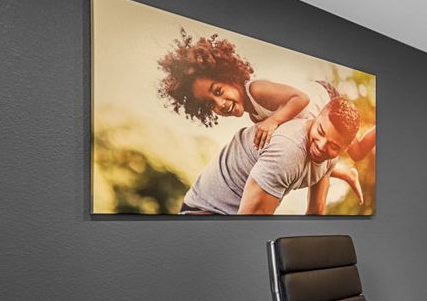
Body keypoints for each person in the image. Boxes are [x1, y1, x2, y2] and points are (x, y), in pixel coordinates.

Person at [157, 30, 372, 202]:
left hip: (326, 101)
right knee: (315, 154)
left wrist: (273, 120)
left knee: (357, 151)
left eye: (218, 91)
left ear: (229, 76)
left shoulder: (257, 90)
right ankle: (345, 173)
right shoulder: (254, 114)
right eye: (209, 103)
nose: (220, 104)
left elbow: (301, 98)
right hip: (314, 119)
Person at [180, 96, 370, 215]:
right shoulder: (288, 151)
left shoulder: (328, 158)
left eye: (333, 145)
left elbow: (316, 212)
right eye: (320, 131)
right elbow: (250, 226)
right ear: (316, 117)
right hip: (206, 211)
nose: (321, 146)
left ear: (344, 149)